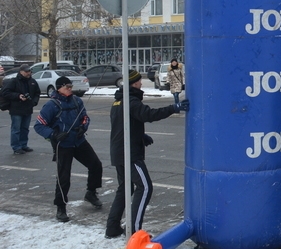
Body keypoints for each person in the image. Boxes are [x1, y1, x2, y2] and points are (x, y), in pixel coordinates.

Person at [105, 69, 190, 238]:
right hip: (129, 153)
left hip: (119, 151)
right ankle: (135, 231)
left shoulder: (118, 101)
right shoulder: (131, 101)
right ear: (133, 84)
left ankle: (112, 227)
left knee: (124, 189)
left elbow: (123, 124)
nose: (141, 84)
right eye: (138, 81)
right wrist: (174, 107)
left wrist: (139, 135)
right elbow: (149, 115)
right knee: (145, 187)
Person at [34, 75, 104, 222]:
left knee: (96, 165)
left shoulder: (77, 101)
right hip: (63, 144)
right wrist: (54, 134)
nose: (70, 90)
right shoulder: (51, 105)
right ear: (59, 88)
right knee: (64, 178)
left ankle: (91, 192)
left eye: (71, 87)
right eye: (67, 87)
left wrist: (82, 127)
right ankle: (61, 207)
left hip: (78, 141)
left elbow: (85, 117)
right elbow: (39, 125)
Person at [1, 63, 40, 154]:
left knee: (25, 128)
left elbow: (37, 93)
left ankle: (23, 145)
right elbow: (5, 92)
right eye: (26, 71)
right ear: (21, 72)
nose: (28, 73)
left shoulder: (32, 81)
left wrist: (34, 102)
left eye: (29, 71)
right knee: (16, 129)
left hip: (27, 108)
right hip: (16, 109)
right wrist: (18, 96)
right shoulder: (14, 81)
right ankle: (16, 147)